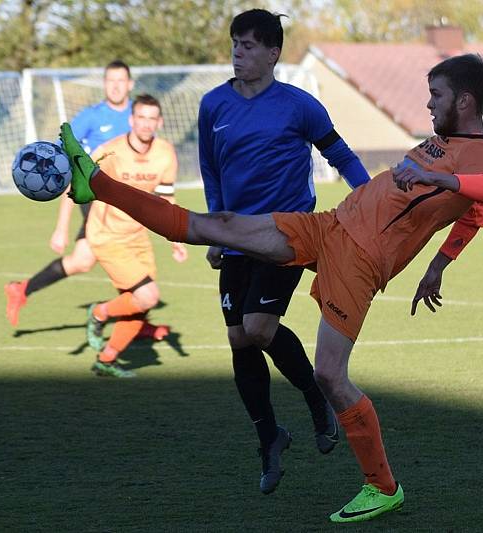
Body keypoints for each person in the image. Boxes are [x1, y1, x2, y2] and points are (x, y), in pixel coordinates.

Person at [61, 52, 483, 523]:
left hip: (359, 261)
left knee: (330, 376)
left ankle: (383, 487)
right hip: (330, 226)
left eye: (436, 95)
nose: (428, 104)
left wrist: (440, 178)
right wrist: (438, 265)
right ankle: (100, 185)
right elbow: (472, 214)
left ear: (466, 100)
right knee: (222, 225)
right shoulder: (444, 140)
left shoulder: (476, 155)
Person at [198, 9, 372, 495]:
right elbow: (211, 171)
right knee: (239, 340)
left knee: (257, 328)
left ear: (273, 53)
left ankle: (316, 398)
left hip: (287, 232)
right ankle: (269, 437)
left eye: (249, 45)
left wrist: (369, 204)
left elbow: (342, 156)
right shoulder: (213, 106)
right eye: (235, 43)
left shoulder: (300, 106)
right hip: (236, 235)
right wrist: (216, 228)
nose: (238, 52)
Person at [5, 60, 165, 341]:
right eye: (110, 80)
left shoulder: (139, 116)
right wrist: (61, 226)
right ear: (104, 84)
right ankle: (136, 318)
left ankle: (22, 290)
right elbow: (66, 165)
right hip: (99, 200)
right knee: (112, 253)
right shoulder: (90, 118)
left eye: (121, 81)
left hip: (128, 202)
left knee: (82, 260)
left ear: (129, 84)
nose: (115, 86)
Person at [81, 93, 187, 378]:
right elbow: (79, 183)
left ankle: (106, 359)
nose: (146, 124)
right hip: (107, 235)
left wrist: (176, 238)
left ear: (159, 122)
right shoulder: (110, 151)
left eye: (152, 118)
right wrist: (64, 228)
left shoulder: (165, 153)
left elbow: (167, 199)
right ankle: (99, 313)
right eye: (141, 117)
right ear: (131, 119)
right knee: (147, 295)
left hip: (137, 234)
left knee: (138, 307)